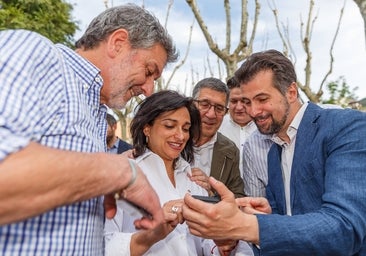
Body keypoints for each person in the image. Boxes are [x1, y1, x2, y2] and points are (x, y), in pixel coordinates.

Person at [0, 4, 178, 255]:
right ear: (118, 43)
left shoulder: (94, 111)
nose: (148, 90)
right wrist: (120, 172)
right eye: (149, 71)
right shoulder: (36, 54)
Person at [182, 49, 366, 255]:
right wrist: (267, 216)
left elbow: (345, 227)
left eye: (262, 99)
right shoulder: (274, 152)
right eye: (248, 101)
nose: (252, 111)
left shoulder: (346, 127)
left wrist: (247, 225)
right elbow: (290, 220)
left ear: (291, 92)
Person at [105, 90, 253, 255]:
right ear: (147, 128)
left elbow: (206, 243)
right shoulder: (122, 178)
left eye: (186, 128)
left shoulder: (194, 181)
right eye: (169, 126)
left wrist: (225, 244)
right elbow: (104, 243)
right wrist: (151, 235)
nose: (180, 136)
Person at [190, 77, 245, 198]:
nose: (211, 114)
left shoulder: (230, 151)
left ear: (225, 112)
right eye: (204, 104)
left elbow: (238, 197)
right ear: (191, 104)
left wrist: (212, 193)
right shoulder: (174, 139)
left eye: (219, 108)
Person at [218, 76, 257, 178]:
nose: (239, 107)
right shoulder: (217, 127)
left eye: (244, 101)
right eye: (234, 101)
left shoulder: (266, 129)